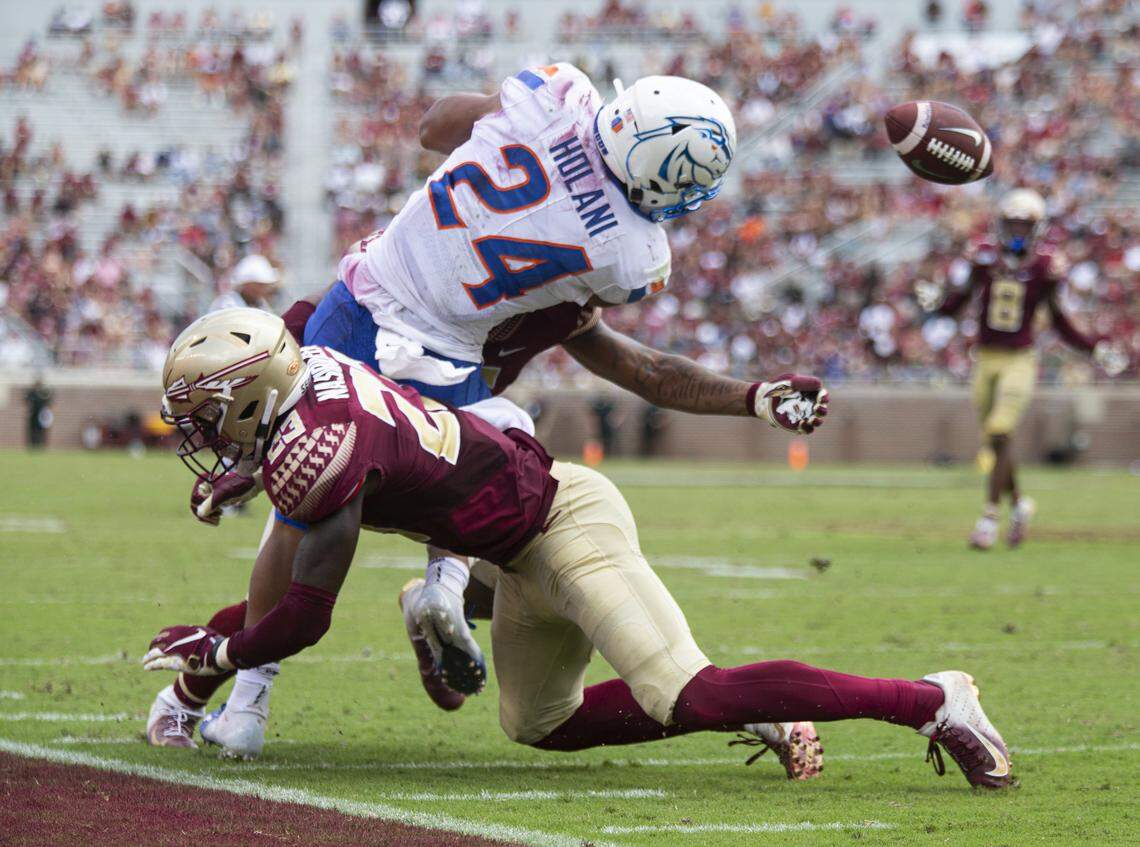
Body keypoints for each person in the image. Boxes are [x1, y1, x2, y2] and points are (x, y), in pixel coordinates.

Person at [144, 309, 1011, 791]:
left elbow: (300, 614)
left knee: (685, 690)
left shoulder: (315, 446)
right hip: (507, 544)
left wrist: (214, 654)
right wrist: (251, 472)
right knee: (537, 722)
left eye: (205, 413)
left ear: (253, 398)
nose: (198, 433)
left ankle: (933, 700)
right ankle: (746, 708)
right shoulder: (316, 370)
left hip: (564, 522)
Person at [920, 189, 1123, 549]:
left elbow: (1059, 320)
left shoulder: (1045, 267)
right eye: (1011, 222)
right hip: (985, 357)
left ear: (1037, 228)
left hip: (1019, 359)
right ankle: (1019, 506)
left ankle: (988, 519)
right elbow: (958, 302)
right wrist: (936, 302)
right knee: (997, 442)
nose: (1016, 230)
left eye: (1023, 224)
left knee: (999, 432)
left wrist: (1093, 347)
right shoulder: (984, 258)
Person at [207, 254, 282, 313]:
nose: (264, 289)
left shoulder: (262, 306)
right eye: (259, 285)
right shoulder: (226, 306)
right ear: (247, 284)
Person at [25, 375, 54, 449]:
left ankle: (41, 445)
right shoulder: (31, 392)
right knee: (32, 430)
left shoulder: (44, 392)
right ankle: (32, 445)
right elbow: (26, 400)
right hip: (33, 414)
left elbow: (49, 401)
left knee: (41, 430)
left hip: (41, 415)